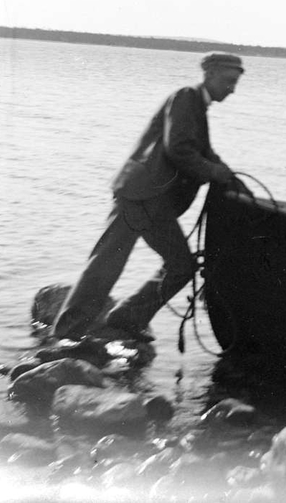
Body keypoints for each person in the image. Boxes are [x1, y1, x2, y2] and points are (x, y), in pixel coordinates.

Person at [52, 52, 247, 342]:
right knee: (113, 262)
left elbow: (203, 152)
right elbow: (178, 148)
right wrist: (215, 172)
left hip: (149, 198)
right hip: (142, 196)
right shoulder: (186, 97)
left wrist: (230, 178)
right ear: (209, 74)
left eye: (235, 83)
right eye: (228, 81)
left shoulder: (195, 103)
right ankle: (73, 333)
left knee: (174, 265)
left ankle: (123, 320)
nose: (232, 89)